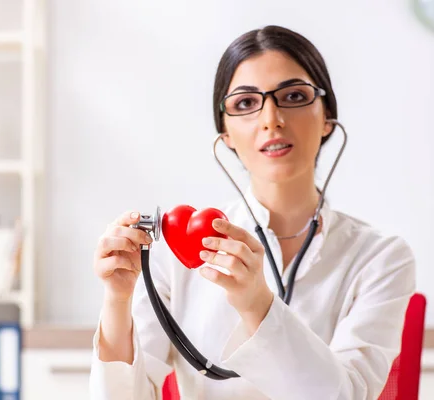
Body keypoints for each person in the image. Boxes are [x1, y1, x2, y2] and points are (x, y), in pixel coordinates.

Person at [89, 25, 416, 400]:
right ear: (225, 133)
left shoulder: (382, 258)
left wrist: (257, 303)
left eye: (293, 95)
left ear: (327, 117)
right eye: (245, 103)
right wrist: (117, 300)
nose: (271, 119)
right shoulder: (175, 253)